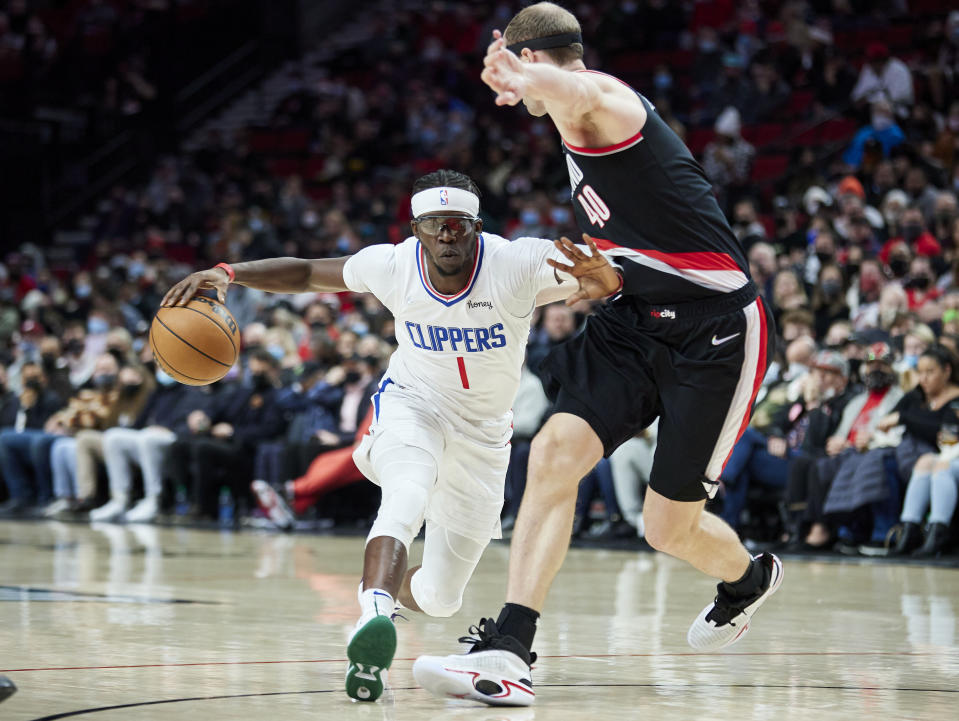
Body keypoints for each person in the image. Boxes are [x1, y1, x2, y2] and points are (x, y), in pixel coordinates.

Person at [413, 5, 781, 707]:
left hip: (716, 332)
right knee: (552, 453)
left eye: (518, 69)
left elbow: (584, 91)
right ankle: (509, 648)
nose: (511, 89)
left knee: (666, 527)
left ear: (537, 61)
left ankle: (748, 577)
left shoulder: (602, 102)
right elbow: (646, 232)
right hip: (634, 317)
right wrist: (611, 276)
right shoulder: (565, 121)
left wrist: (535, 78)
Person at [161, 169, 617, 704]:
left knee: (443, 597)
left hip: (485, 435)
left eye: (458, 224)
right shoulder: (393, 263)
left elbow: (604, 280)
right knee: (407, 491)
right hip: (413, 403)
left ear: (475, 226)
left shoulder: (518, 261)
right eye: (434, 225)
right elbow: (309, 272)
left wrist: (604, 278)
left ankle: (384, 590)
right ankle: (374, 612)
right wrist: (227, 272)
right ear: (416, 229)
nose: (447, 234)